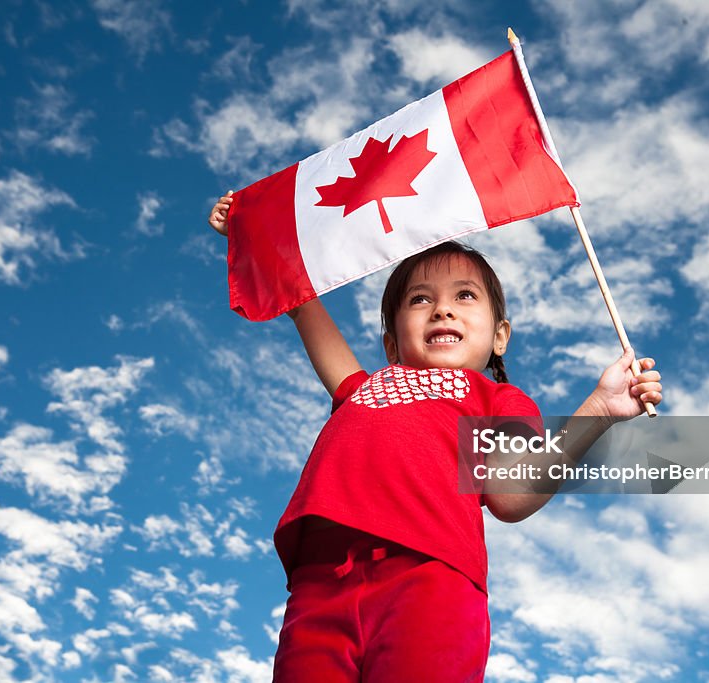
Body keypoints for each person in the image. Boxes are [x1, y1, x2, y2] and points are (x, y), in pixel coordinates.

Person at [209, 192, 662, 682]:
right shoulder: (362, 389)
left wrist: (598, 410)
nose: (442, 309)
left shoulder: (497, 401)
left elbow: (510, 496)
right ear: (391, 343)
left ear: (500, 336)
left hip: (431, 579)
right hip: (320, 583)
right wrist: (250, 235)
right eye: (420, 299)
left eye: (464, 296)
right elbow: (300, 303)